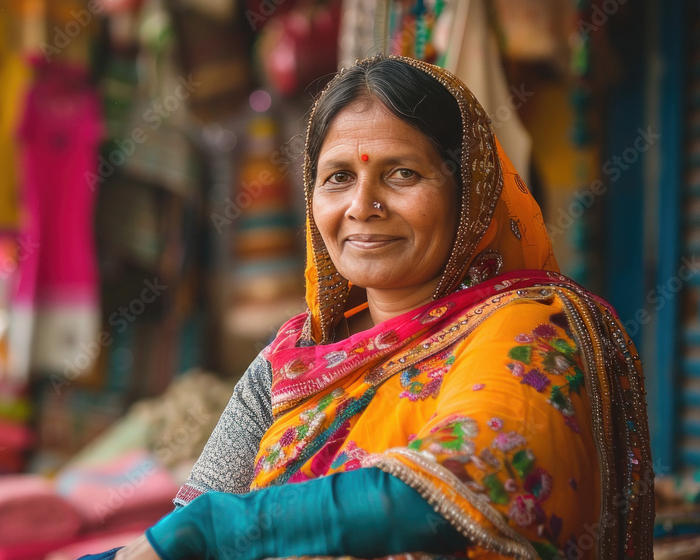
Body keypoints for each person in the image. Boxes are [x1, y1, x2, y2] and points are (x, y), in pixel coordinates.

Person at [95, 56, 653, 560]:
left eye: (401, 174)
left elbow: (449, 491)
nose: (363, 206)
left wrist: (217, 529)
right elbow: (185, 525)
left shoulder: (530, 325)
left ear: (470, 190)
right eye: (339, 178)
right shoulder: (292, 361)